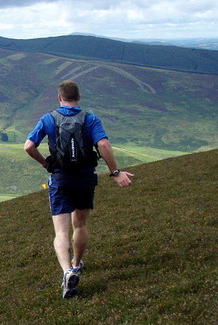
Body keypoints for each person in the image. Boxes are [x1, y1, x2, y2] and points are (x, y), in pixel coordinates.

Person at [24, 80, 133, 298]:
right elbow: (103, 145)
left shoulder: (49, 118)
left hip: (60, 179)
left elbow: (28, 146)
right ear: (79, 97)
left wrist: (45, 163)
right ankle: (76, 262)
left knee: (61, 231)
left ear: (59, 97)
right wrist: (115, 172)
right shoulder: (90, 118)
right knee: (80, 225)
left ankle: (67, 271)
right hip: (84, 178)